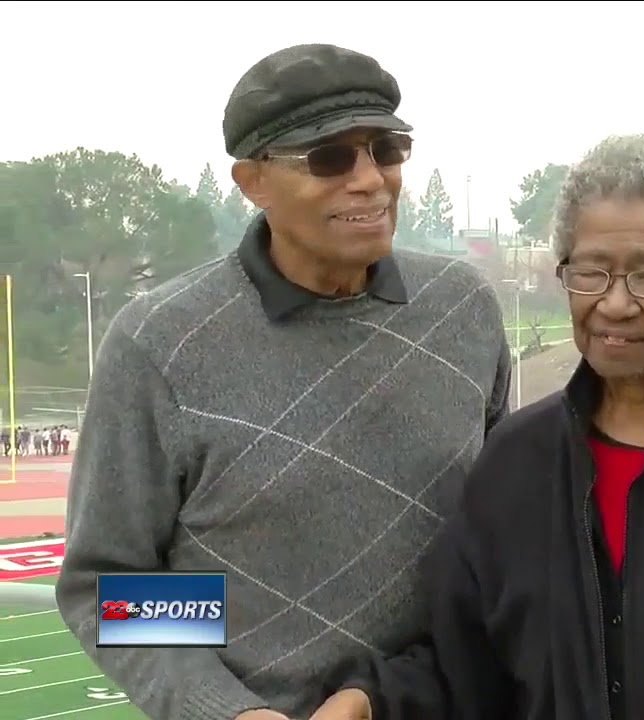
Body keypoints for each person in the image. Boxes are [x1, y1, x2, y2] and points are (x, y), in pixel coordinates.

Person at [54, 43, 511, 720]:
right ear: (253, 182)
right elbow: (109, 586)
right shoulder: (160, 343)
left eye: (386, 149)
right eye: (329, 158)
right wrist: (230, 708)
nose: (369, 180)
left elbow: (497, 549)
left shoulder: (462, 308)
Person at [313, 134, 644, 720]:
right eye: (590, 273)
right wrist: (368, 702)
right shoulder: (514, 462)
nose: (613, 304)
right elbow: (463, 668)